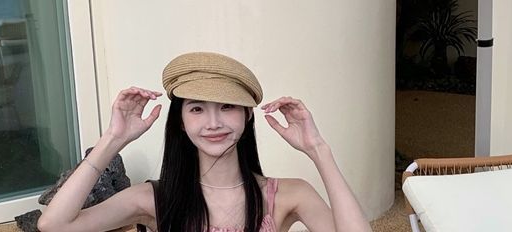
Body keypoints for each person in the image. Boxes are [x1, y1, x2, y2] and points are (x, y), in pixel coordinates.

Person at [37, 51, 371, 232]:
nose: (213, 123)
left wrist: (318, 150)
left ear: (248, 116)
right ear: (181, 123)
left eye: (227, 107)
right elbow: (54, 224)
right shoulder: (154, 199)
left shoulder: (288, 195)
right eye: (197, 109)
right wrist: (113, 139)